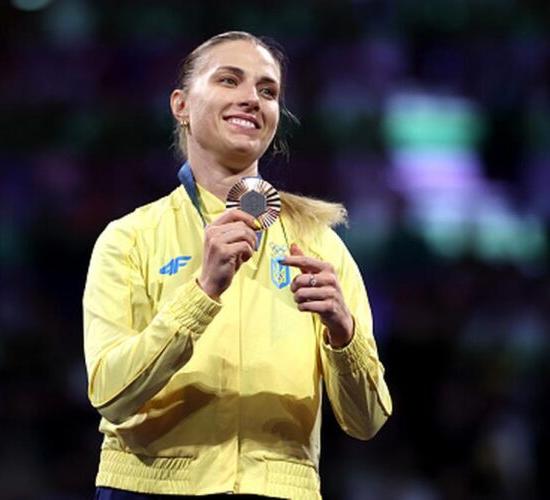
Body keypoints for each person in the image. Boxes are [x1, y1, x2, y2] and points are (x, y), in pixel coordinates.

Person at [83, 31, 392, 499]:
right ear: (181, 106)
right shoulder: (129, 239)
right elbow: (111, 396)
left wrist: (343, 332)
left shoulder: (319, 246)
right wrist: (201, 292)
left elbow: (367, 420)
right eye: (230, 80)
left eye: (268, 91)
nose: (252, 98)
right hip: (148, 489)